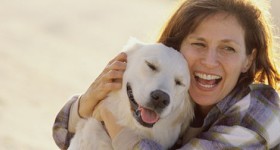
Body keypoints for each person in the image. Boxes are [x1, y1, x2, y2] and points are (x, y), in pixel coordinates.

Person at [52, 0, 280, 149]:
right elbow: (62, 133)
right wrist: (87, 101)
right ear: (177, 46)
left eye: (228, 48)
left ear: (248, 59)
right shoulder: (177, 98)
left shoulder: (261, 109)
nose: (210, 62)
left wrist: (109, 118)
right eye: (199, 44)